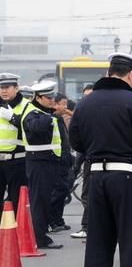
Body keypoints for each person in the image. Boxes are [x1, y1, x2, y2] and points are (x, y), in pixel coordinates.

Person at [69, 52, 132, 267]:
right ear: (131, 75)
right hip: (127, 179)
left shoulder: (85, 103)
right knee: (130, 247)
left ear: (108, 73)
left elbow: (76, 141)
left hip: (96, 177)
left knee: (98, 245)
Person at [21, 80, 65, 249]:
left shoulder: (41, 111)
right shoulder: (32, 113)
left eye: (52, 96)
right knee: (39, 201)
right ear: (38, 98)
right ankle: (39, 238)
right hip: (38, 162)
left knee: (45, 200)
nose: (51, 100)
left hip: (47, 162)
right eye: (48, 97)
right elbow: (34, 129)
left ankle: (41, 234)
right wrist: (50, 116)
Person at [0, 73, 30, 213]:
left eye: (7, 87)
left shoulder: (26, 105)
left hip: (17, 161)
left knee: (17, 199)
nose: (3, 91)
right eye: (1, 87)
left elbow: (31, 128)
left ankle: (18, 233)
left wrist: (12, 118)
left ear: (16, 88)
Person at [47, 93, 74, 233]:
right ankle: (52, 220)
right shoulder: (52, 118)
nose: (65, 106)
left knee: (64, 190)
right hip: (57, 160)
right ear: (55, 104)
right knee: (58, 190)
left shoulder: (60, 118)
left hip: (65, 158)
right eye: (63, 103)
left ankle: (58, 220)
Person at [70, 84, 94, 239]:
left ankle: (90, 227)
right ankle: (87, 226)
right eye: (85, 96)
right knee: (87, 195)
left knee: (91, 196)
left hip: (96, 161)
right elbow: (78, 143)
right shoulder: (84, 114)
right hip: (89, 160)